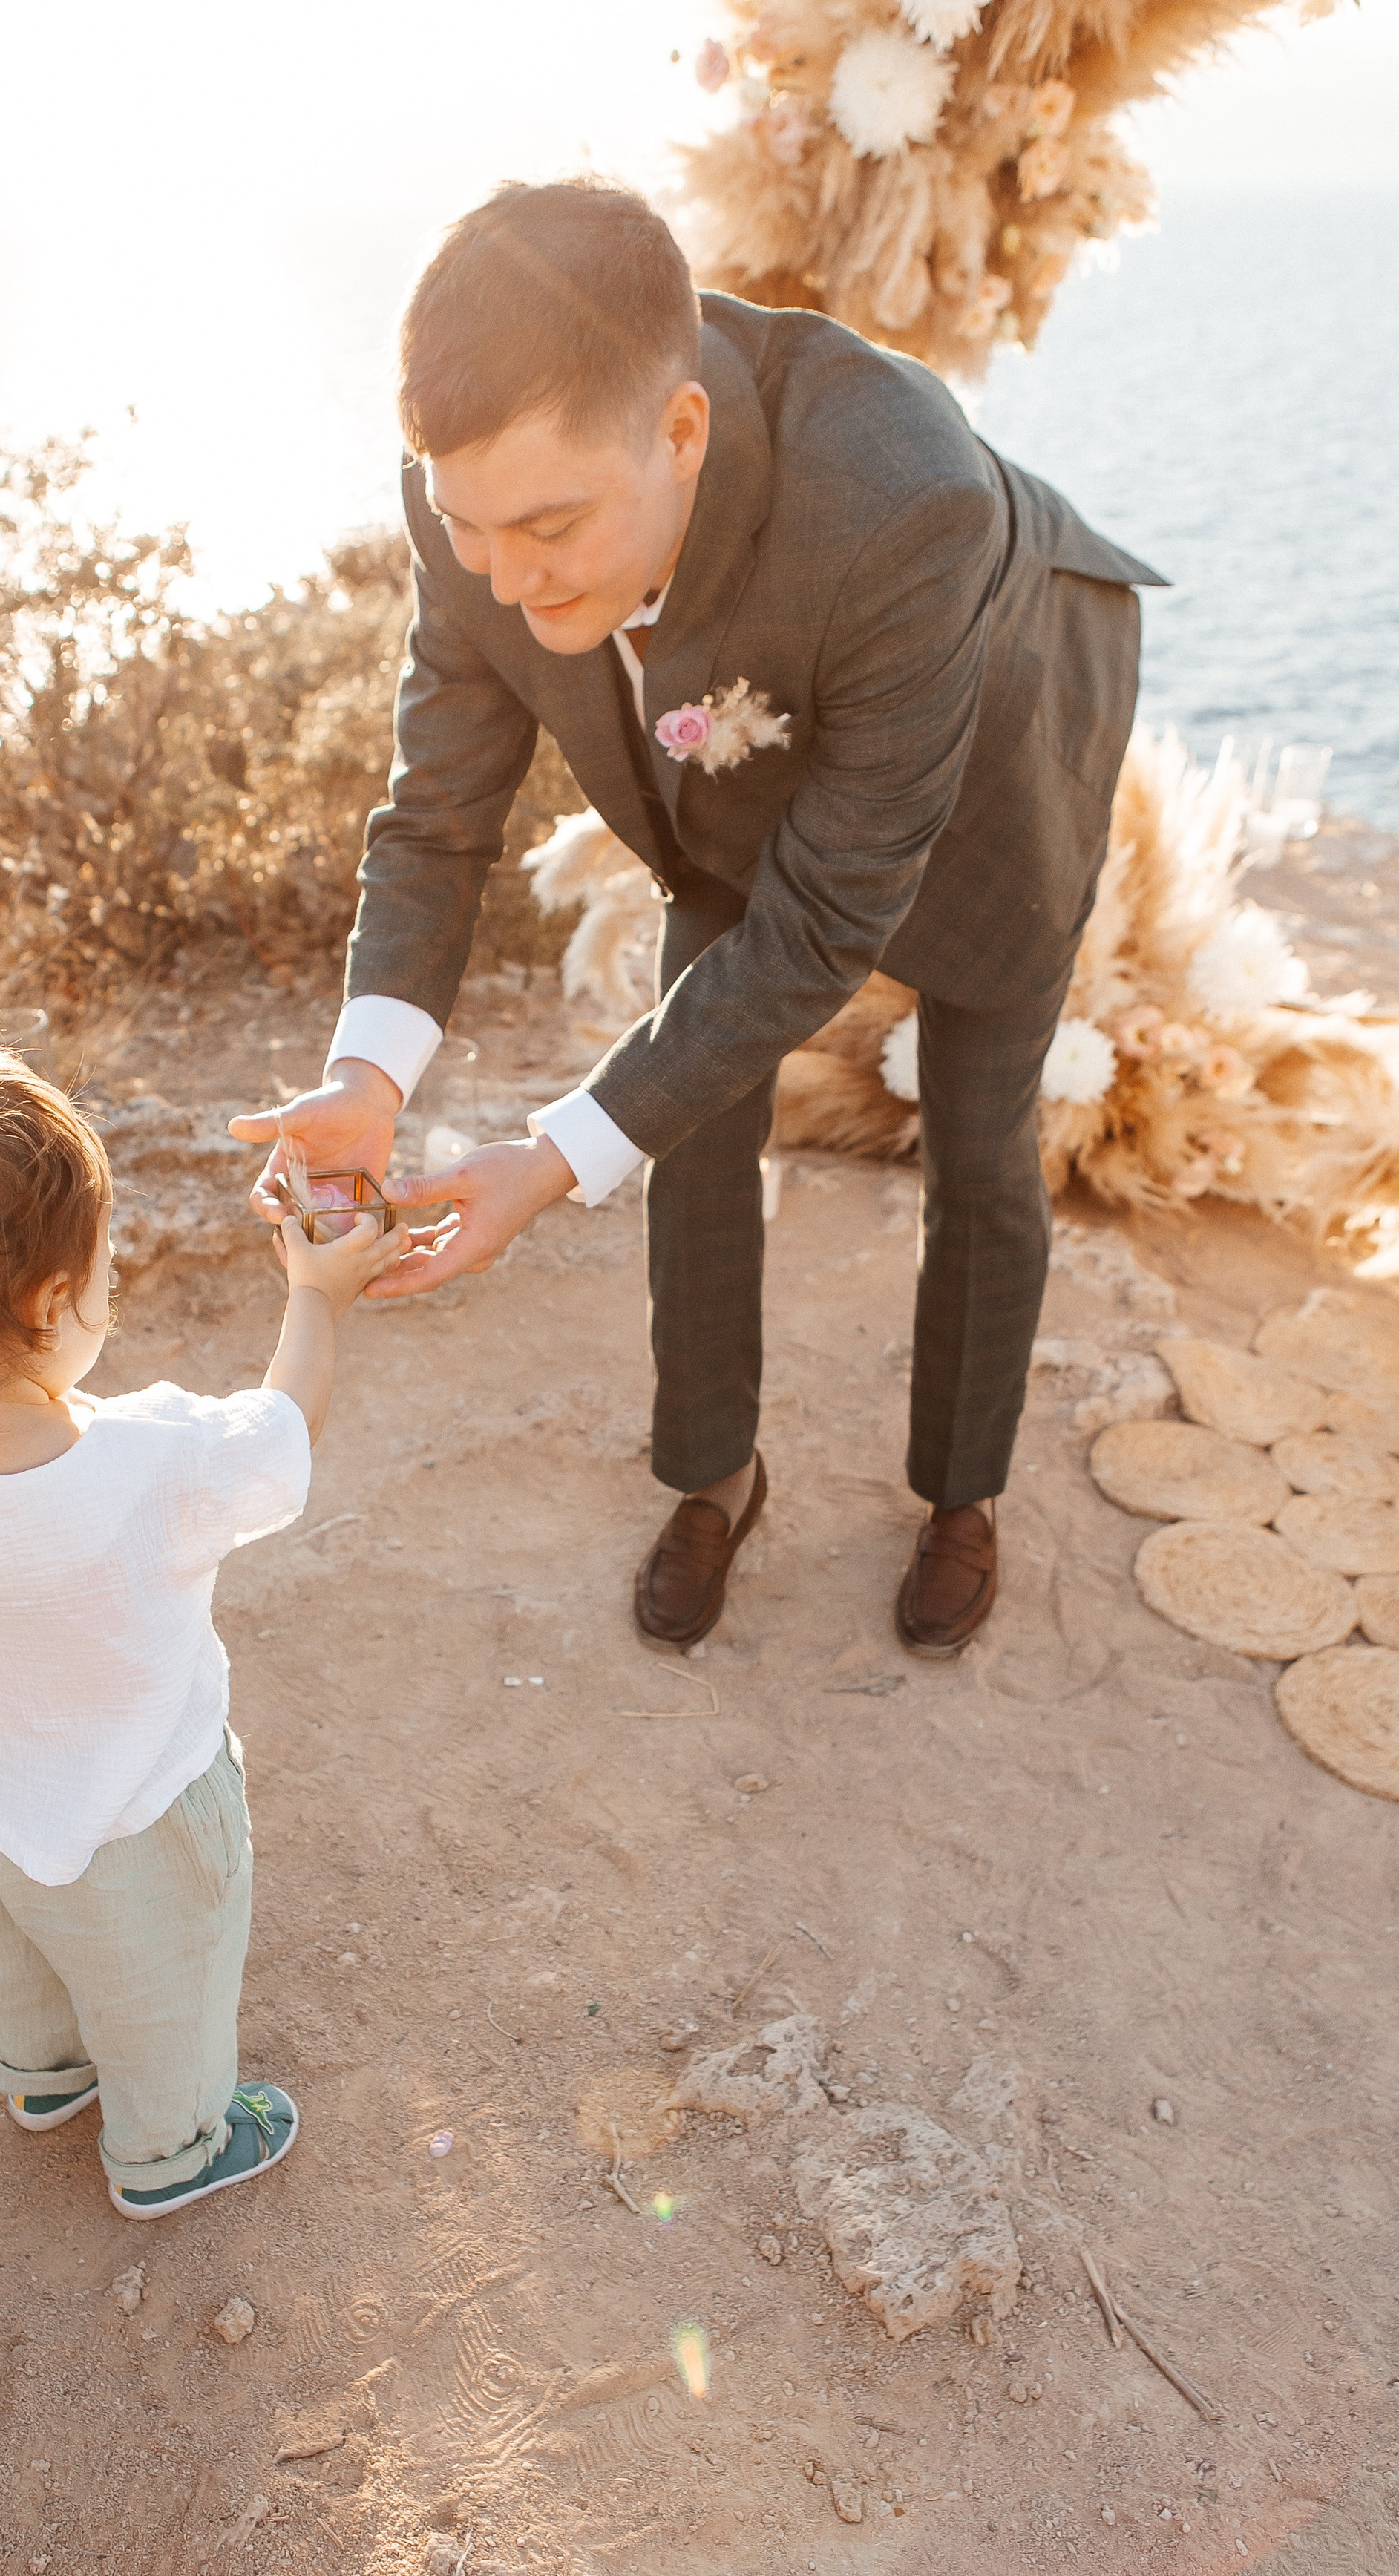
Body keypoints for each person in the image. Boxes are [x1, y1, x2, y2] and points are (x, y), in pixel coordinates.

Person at [235, 178, 1161, 1660]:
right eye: (473, 531)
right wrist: (368, 1075)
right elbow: (435, 813)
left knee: (982, 1144)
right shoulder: (472, 496)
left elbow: (818, 927)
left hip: (1001, 761)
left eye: (545, 527)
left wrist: (542, 1161)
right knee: (682, 1121)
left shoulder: (905, 500)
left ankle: (958, 1495)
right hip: (737, 797)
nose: (507, 576)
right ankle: (713, 1476)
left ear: (678, 431)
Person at [0, 1023, 399, 2218]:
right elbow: (284, 1421)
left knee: (14, 1952)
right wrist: (317, 1293)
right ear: (51, 1304)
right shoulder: (153, 1459)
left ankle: (41, 2080)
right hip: (146, 1813)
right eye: (104, 1273)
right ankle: (172, 2149)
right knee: (167, 1989)